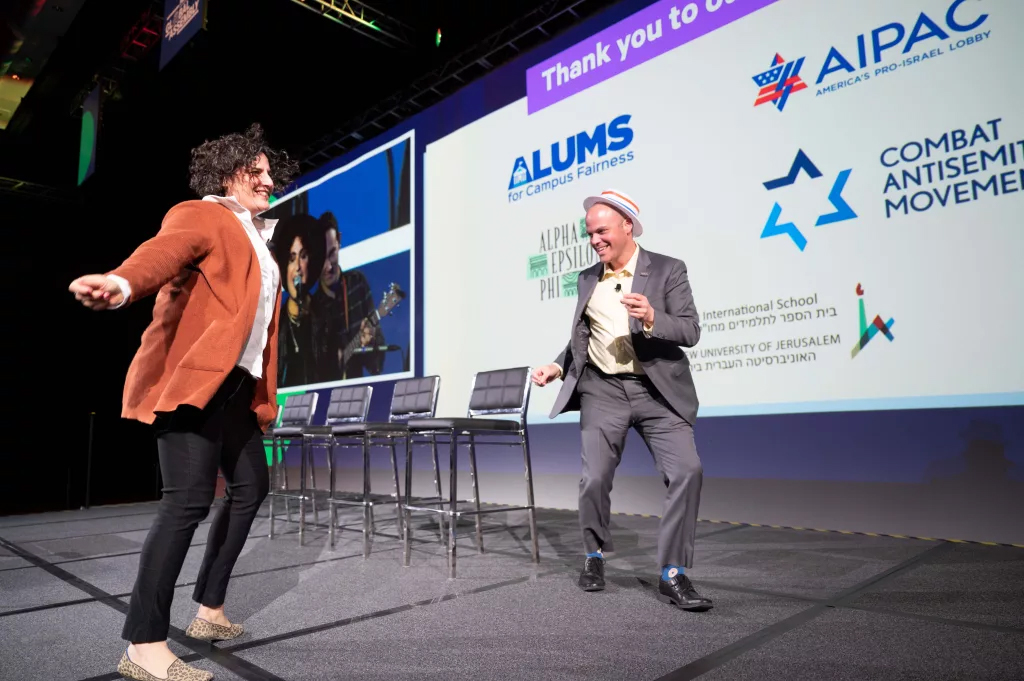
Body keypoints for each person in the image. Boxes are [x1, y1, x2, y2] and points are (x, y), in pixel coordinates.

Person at [68, 123, 298, 680]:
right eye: (257, 171)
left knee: (251, 487)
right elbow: (162, 253)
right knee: (188, 502)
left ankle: (209, 610)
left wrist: (263, 396)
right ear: (227, 174)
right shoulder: (203, 214)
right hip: (197, 383)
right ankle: (144, 646)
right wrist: (121, 284)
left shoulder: (257, 236)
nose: (269, 179)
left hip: (238, 390)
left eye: (271, 172)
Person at [531, 188, 713, 612]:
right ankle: (594, 557)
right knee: (594, 477)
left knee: (688, 471)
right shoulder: (587, 278)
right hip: (603, 390)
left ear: (627, 226)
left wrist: (652, 317)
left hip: (657, 392)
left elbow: (690, 330)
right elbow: (584, 334)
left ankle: (673, 573)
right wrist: (559, 366)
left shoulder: (668, 270)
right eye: (590, 233)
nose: (595, 240)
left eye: (602, 231)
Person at [309, 211, 385, 380]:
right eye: (322, 259)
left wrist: (370, 342)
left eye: (332, 254)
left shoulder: (357, 284)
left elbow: (377, 365)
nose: (328, 266)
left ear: (340, 241)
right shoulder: (312, 307)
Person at [273, 213, 325, 387]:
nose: (297, 268)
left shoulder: (325, 318)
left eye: (303, 256)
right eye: (291, 258)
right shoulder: (274, 324)